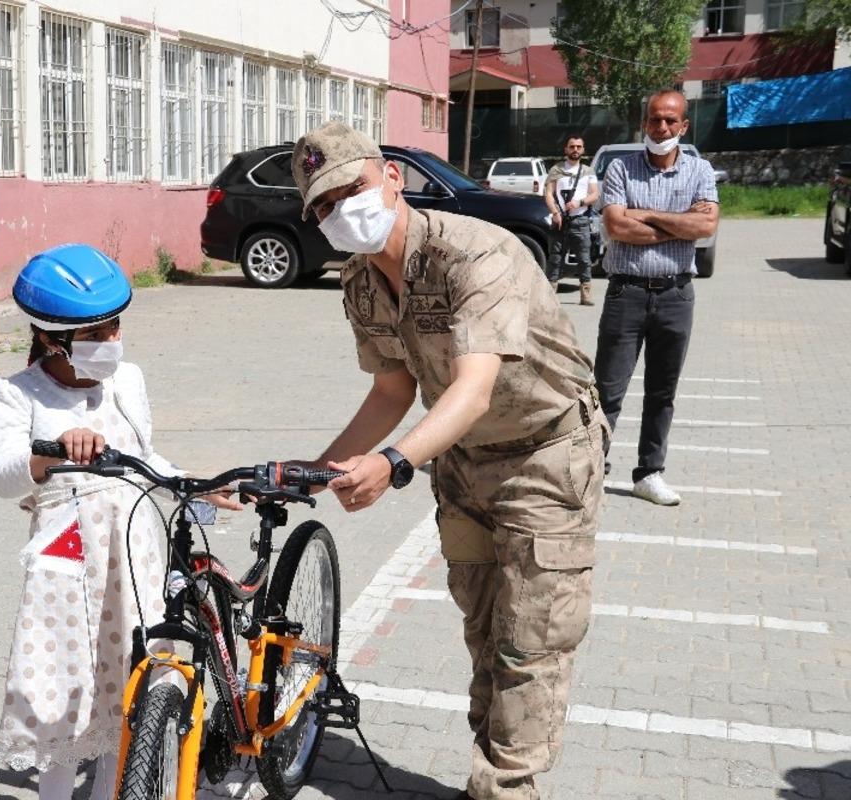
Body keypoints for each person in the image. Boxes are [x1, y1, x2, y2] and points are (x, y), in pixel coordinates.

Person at [292, 121, 604, 800]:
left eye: (350, 189)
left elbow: (473, 387)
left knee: (531, 641)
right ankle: (493, 770)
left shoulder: (475, 252)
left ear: (392, 178)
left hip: (545, 458)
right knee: (486, 630)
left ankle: (504, 788)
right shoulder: (361, 282)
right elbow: (391, 389)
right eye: (321, 205)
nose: (340, 211)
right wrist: (312, 473)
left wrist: (394, 464)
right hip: (463, 465)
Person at [0, 243, 239, 800]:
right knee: (63, 691)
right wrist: (53, 452)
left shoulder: (129, 382)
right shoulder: (15, 393)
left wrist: (197, 482)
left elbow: (145, 456)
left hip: (136, 555)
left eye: (114, 327)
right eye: (94, 335)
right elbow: (3, 478)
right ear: (52, 338)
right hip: (66, 566)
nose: (111, 343)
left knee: (132, 685)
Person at [595, 90, 719, 506]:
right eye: (653, 120)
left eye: (669, 121)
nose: (661, 128)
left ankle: (649, 472)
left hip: (676, 295)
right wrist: (679, 224)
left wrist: (643, 213)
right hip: (626, 292)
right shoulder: (620, 168)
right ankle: (592, 467)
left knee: (662, 391)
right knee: (607, 389)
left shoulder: (700, 170)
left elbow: (706, 226)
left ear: (684, 125)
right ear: (643, 123)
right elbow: (616, 227)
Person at [543, 135, 599, 305]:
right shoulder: (556, 170)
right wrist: (555, 212)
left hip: (580, 220)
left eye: (579, 147)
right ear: (566, 149)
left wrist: (579, 202)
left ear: (583, 150)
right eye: (572, 146)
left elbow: (595, 194)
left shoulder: (588, 171)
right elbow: (548, 194)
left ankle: (585, 294)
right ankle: (550, 295)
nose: (575, 150)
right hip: (560, 221)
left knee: (584, 259)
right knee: (555, 258)